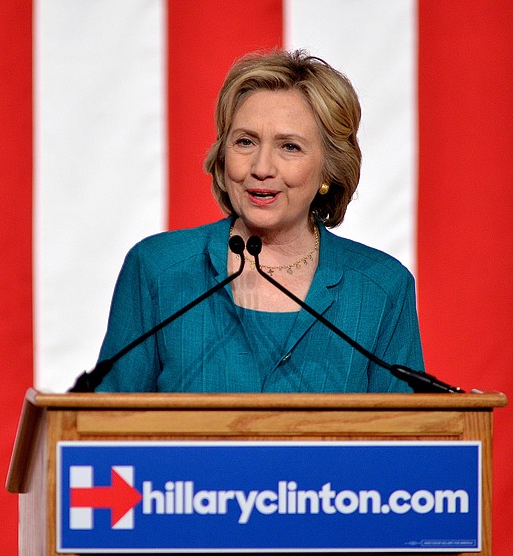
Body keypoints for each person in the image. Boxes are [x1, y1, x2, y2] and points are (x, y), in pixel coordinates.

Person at [94, 49, 424, 393]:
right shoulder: (159, 269)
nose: (262, 168)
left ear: (329, 169)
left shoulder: (380, 287)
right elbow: (106, 426)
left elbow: (407, 439)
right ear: (223, 156)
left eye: (290, 147)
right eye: (246, 142)